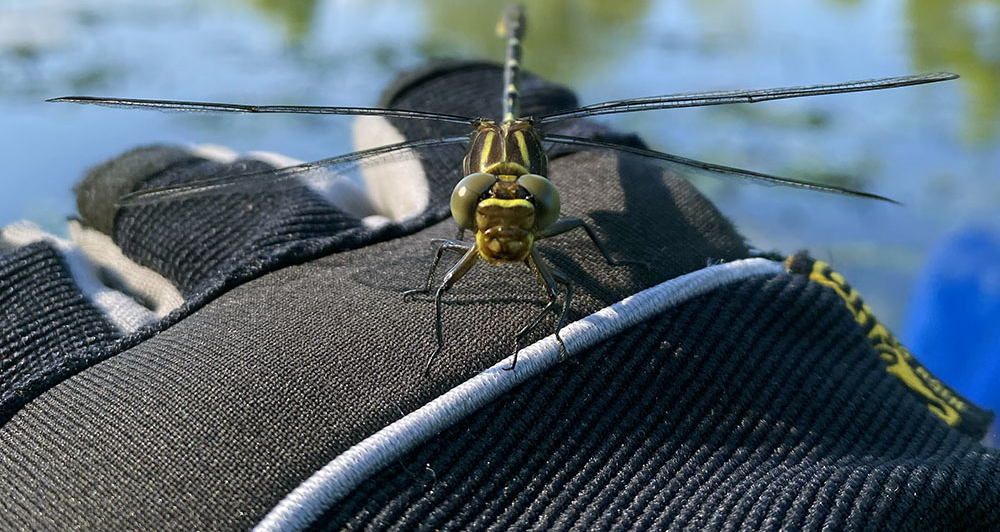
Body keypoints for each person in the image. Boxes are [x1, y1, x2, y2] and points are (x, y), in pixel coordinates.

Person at [0, 60, 996, 530]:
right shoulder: (482, 218)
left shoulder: (532, 215)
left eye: (522, 212)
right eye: (491, 209)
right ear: (479, 190)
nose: (505, 228)